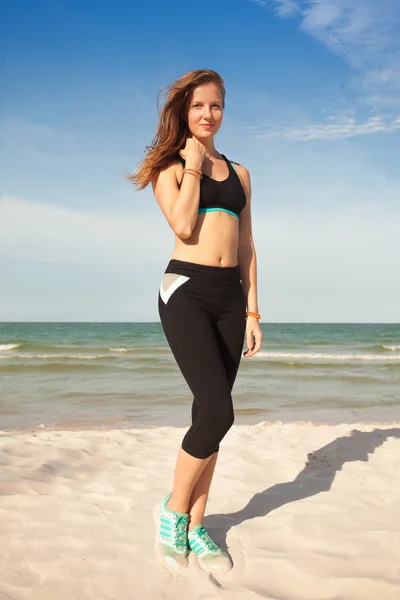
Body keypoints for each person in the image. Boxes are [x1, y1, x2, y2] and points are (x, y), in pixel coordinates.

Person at [127, 69, 263, 574]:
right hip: (184, 290)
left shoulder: (242, 174)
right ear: (184, 112)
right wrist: (192, 166)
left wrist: (252, 309)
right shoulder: (171, 166)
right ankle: (174, 511)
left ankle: (198, 524)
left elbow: (247, 245)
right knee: (218, 411)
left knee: (209, 417)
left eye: (216, 106)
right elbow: (183, 226)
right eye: (199, 106)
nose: (208, 115)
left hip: (230, 297)